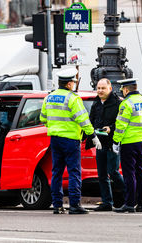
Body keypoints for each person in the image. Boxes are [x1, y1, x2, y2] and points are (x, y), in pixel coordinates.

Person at [40, 68, 102, 214]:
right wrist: (92, 135)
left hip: (55, 139)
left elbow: (43, 119)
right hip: (71, 140)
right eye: (73, 82)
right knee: (74, 172)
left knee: (56, 172)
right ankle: (74, 205)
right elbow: (83, 120)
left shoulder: (49, 97)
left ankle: (57, 205)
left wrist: (56, 127)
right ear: (69, 84)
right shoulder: (73, 99)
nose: (74, 85)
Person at [112, 78, 142, 213]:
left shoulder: (126, 104)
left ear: (126, 89)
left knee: (129, 174)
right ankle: (141, 204)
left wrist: (116, 141)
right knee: (140, 172)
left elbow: (121, 125)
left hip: (128, 142)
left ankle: (129, 203)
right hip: (141, 142)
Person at [88, 78, 126, 211]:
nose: (100, 91)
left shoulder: (117, 103)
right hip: (100, 142)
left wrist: (110, 128)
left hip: (112, 142)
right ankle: (107, 202)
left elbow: (122, 122)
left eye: (103, 88)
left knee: (113, 172)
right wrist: (92, 131)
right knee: (102, 174)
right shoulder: (96, 102)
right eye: (98, 88)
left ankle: (129, 198)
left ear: (110, 88)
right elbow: (91, 119)